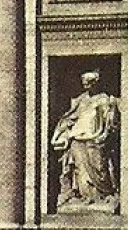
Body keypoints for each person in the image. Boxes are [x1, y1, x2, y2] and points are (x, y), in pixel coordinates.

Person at [49, 72, 121, 208]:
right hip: (77, 136)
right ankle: (85, 196)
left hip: (96, 138)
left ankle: (103, 194)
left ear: (95, 82)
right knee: (79, 169)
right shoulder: (81, 99)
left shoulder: (104, 99)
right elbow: (71, 115)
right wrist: (66, 127)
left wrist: (104, 135)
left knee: (99, 166)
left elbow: (109, 121)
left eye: (88, 81)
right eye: (84, 82)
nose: (85, 84)